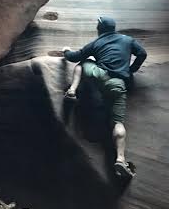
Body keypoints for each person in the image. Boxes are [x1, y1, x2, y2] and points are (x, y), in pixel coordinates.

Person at [61, 16, 147, 178]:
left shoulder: (97, 43)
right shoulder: (127, 40)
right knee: (118, 122)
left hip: (98, 75)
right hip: (117, 83)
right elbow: (142, 53)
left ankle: (72, 90)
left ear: (99, 28)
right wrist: (131, 70)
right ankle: (120, 159)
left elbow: (74, 57)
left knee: (82, 64)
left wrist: (66, 50)